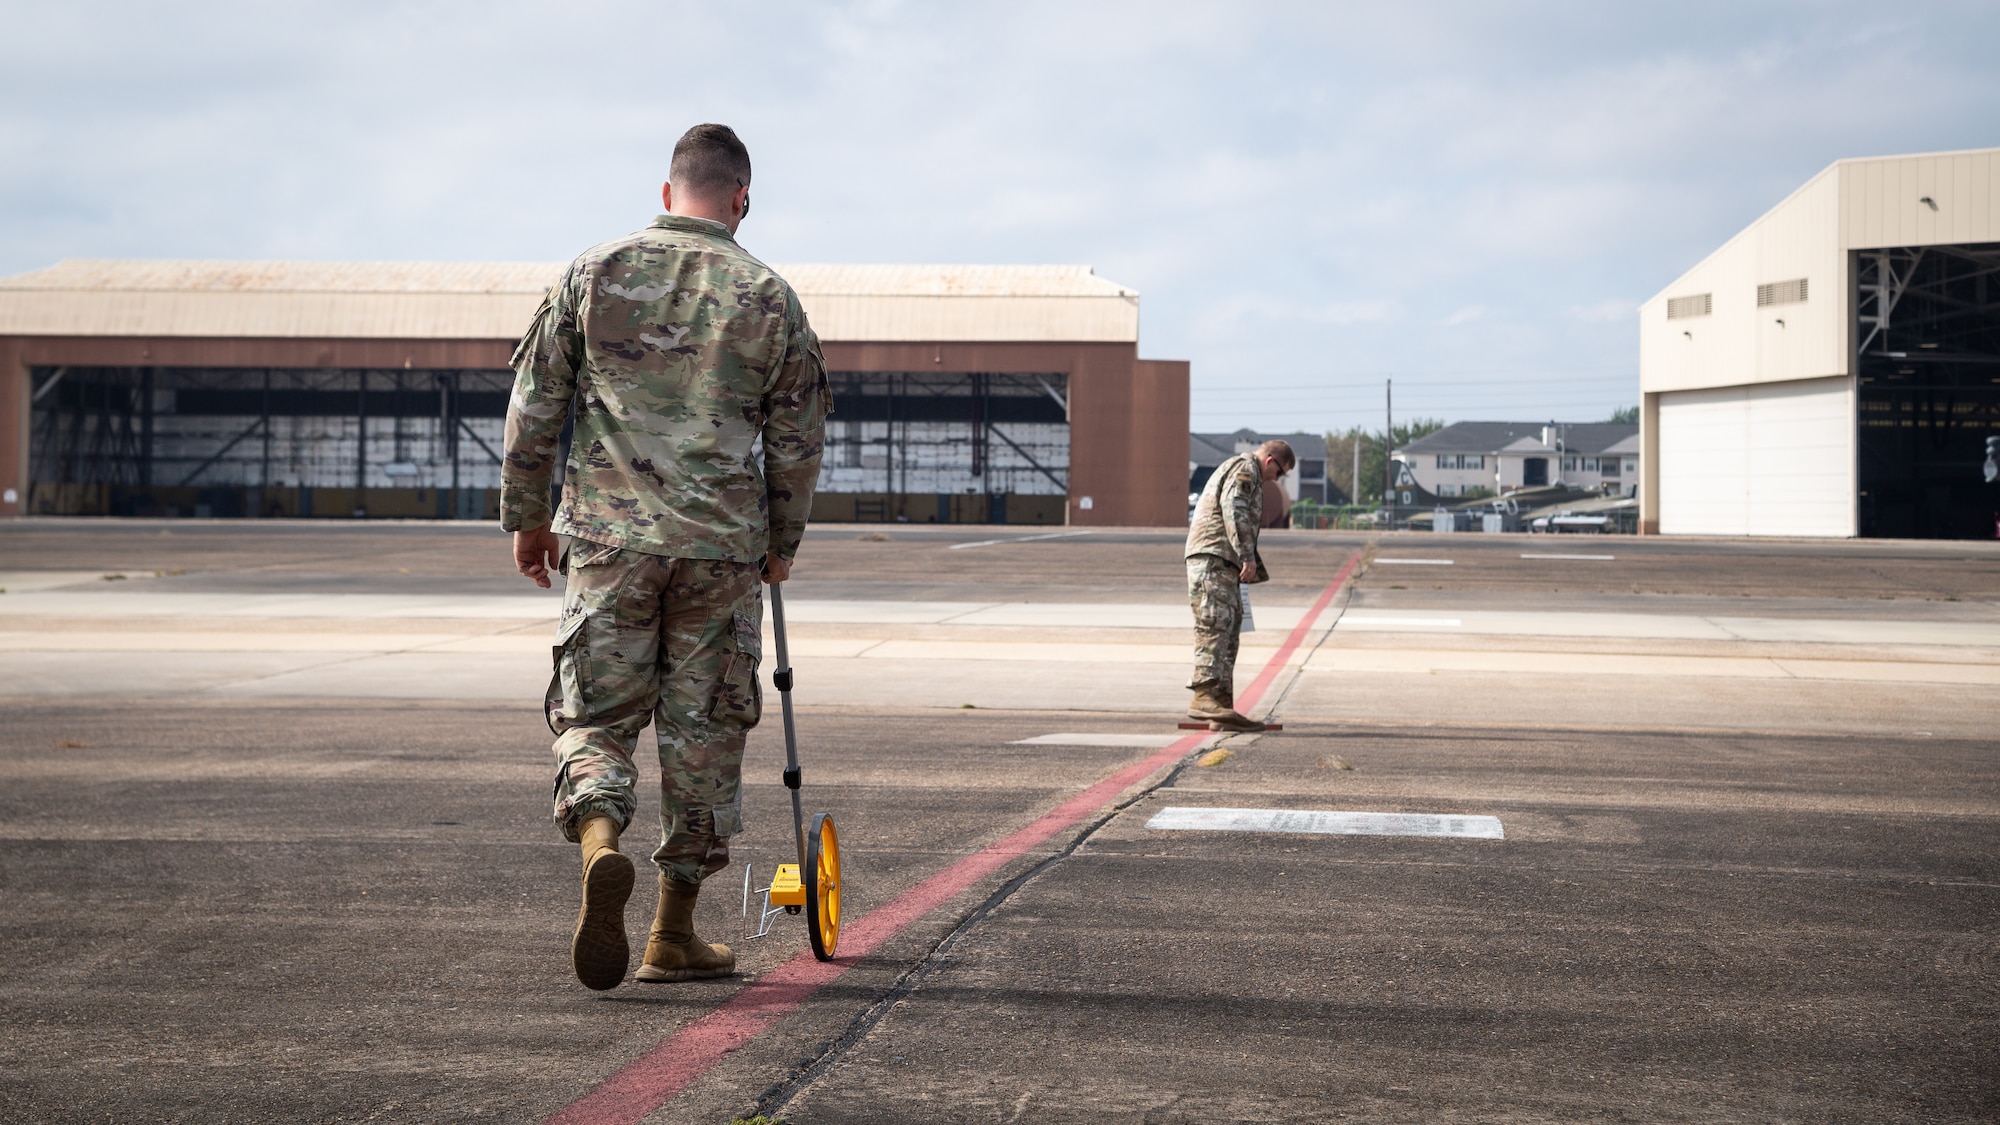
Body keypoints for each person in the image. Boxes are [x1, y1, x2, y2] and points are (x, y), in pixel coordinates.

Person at [501, 124, 830, 991]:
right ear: (741, 200)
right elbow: (798, 441)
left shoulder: (594, 273)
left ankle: (601, 842)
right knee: (704, 734)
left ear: (665, 193)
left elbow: (536, 403)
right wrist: (781, 545)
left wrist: (527, 519)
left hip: (609, 542)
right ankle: (671, 933)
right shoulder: (771, 297)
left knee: (597, 719)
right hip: (720, 551)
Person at [1184, 439, 1294, 732]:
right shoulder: (1244, 470)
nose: (1277, 479)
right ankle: (1204, 695)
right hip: (1213, 558)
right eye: (1280, 473)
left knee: (1231, 630)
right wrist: (1247, 556)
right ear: (1271, 461)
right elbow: (1234, 511)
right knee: (1215, 624)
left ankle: (1220, 707)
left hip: (1224, 561)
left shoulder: (1249, 474)